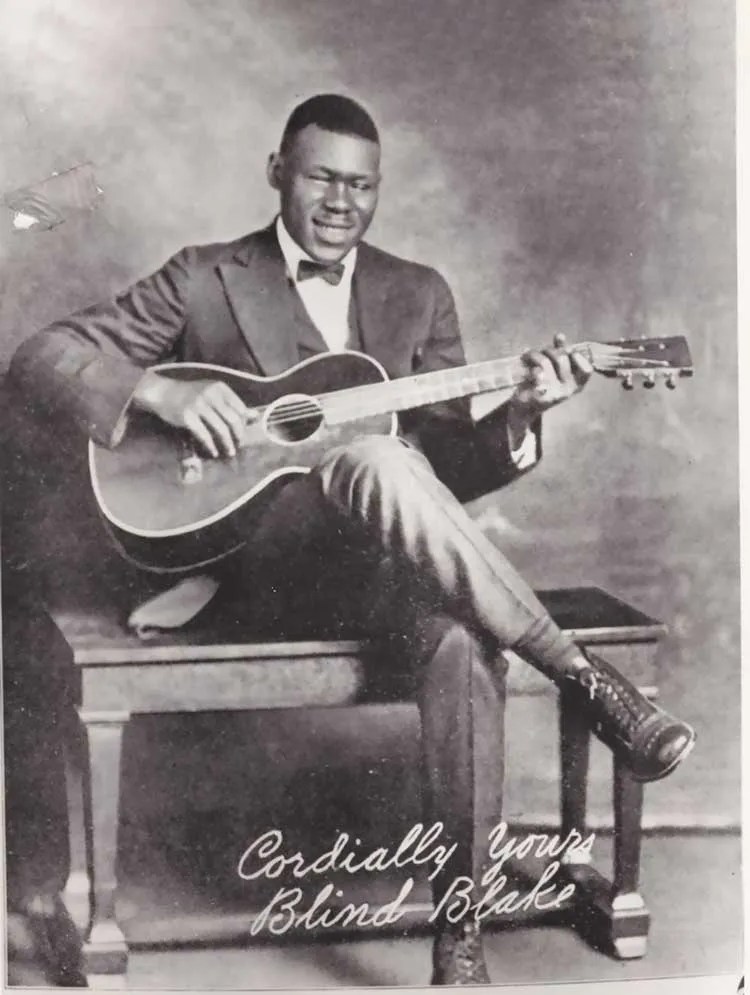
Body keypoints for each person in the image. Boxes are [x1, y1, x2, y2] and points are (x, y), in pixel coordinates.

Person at [6, 93, 695, 986]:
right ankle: (582, 678)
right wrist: (160, 394)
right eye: (323, 177)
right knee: (375, 456)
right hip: (247, 571)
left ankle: (460, 936)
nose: (342, 202)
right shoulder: (205, 277)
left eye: (362, 186)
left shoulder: (419, 293)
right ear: (277, 174)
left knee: (458, 635)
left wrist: (521, 412)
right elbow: (40, 356)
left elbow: (444, 472)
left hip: (385, 570)